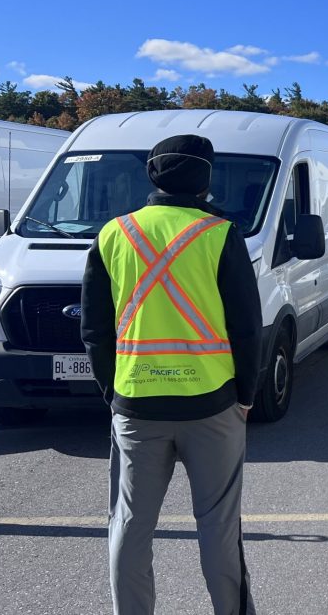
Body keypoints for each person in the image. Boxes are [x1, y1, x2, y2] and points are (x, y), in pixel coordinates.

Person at [81, 134, 262, 615]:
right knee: (219, 526)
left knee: (130, 526)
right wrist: (247, 394)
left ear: (151, 174)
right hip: (212, 405)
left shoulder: (113, 234)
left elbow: (95, 331)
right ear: (206, 179)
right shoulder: (221, 234)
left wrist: (112, 392)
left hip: (137, 404)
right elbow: (246, 327)